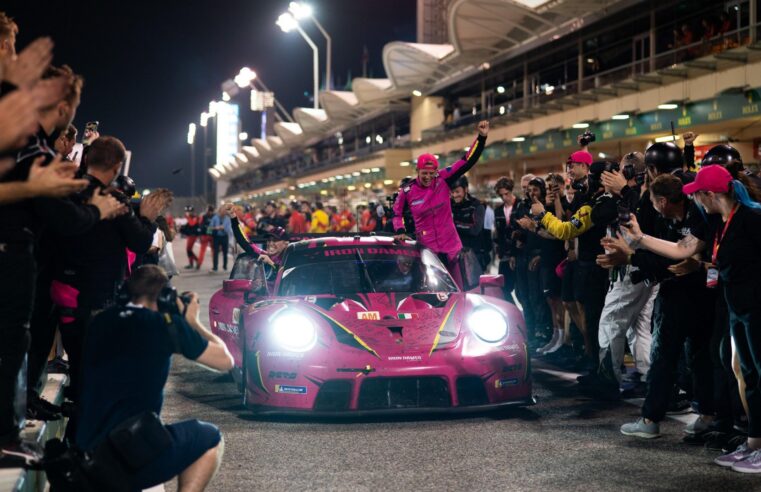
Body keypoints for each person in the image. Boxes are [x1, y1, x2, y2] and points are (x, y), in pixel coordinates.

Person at [614, 165, 761, 472]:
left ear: (710, 194)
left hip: (755, 308)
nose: (694, 200)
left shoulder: (751, 218)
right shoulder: (719, 223)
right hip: (739, 310)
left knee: (755, 376)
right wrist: (639, 239)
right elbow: (682, 249)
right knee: (750, 378)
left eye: (697, 194)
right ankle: (754, 445)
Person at [75, 265, 233, 490]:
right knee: (209, 438)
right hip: (126, 456)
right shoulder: (164, 325)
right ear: (166, 298)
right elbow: (226, 361)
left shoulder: (100, 322)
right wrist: (193, 323)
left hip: (85, 455)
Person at [393, 120, 489, 287]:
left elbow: (467, 160)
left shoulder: (444, 179)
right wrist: (400, 230)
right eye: (424, 173)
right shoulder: (407, 191)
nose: (428, 177)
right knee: (434, 292)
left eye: (431, 173)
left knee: (461, 291)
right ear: (417, 171)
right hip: (428, 252)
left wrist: (481, 138)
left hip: (452, 248)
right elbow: (397, 213)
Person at [450, 175, 487, 269]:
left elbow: (475, 229)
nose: (454, 195)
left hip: (473, 256)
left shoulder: (477, 206)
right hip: (454, 255)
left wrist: (454, 224)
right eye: (452, 192)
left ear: (465, 189)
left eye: (457, 191)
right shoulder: (450, 205)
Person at [493, 177, 517, 301]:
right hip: (504, 255)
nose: (504, 197)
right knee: (502, 288)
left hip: (518, 253)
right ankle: (514, 313)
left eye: (506, 194)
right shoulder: (498, 210)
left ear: (511, 191)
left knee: (521, 291)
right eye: (501, 195)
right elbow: (498, 232)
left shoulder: (520, 205)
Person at [210, 206, 232, 272]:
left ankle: (225, 266)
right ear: (219, 211)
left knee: (225, 252)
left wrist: (223, 228)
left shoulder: (228, 219)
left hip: (224, 236)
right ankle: (215, 267)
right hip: (216, 236)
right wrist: (216, 228)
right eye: (223, 211)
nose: (224, 212)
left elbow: (229, 229)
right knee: (215, 252)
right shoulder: (215, 218)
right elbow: (210, 228)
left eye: (225, 211)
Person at [195, 205, 215, 270]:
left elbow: (200, 226)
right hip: (206, 235)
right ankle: (199, 264)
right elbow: (200, 226)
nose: (209, 212)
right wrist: (200, 235)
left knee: (212, 251)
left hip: (211, 235)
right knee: (202, 251)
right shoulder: (205, 216)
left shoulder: (206, 216)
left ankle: (214, 265)